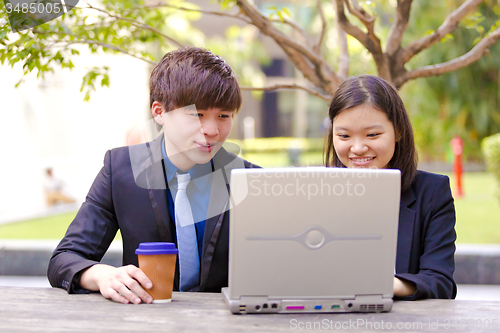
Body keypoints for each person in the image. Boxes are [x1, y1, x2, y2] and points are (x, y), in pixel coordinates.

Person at [47, 47, 260, 304]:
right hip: (145, 317)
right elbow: (65, 257)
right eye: (197, 114)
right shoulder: (121, 169)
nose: (212, 130)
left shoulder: (250, 180)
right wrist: (100, 274)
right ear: (159, 112)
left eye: (223, 116)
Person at [324, 75, 456, 300]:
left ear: (399, 131)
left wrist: (378, 284)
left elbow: (440, 282)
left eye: (372, 134)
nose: (357, 148)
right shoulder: (315, 190)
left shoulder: (432, 192)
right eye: (344, 136)